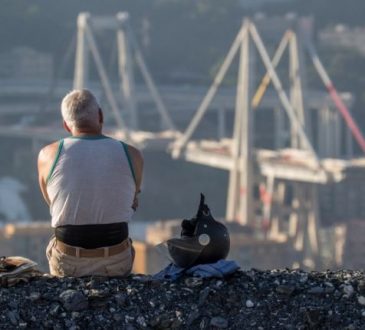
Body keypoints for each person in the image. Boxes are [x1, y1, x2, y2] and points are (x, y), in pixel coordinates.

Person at [37, 89, 143, 277]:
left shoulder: (47, 155)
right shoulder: (132, 154)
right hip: (116, 259)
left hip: (68, 261)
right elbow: (132, 201)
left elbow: (51, 202)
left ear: (66, 125)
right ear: (100, 115)